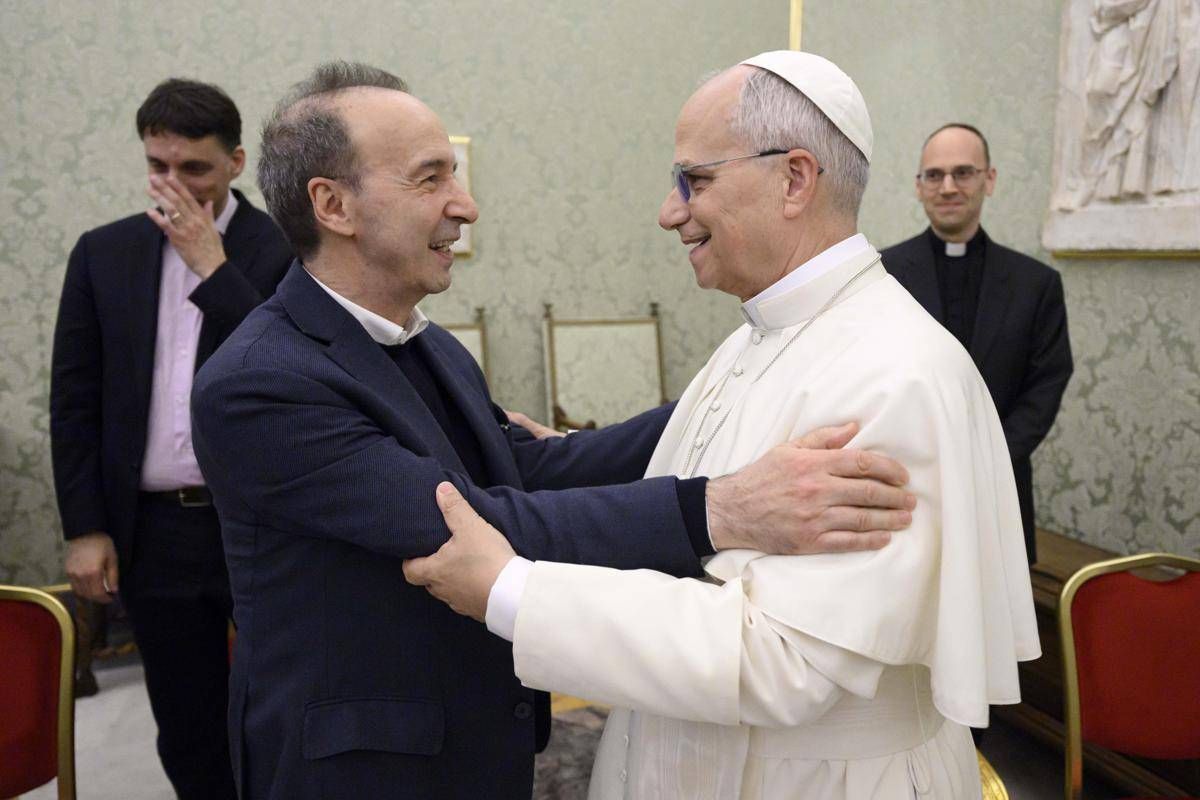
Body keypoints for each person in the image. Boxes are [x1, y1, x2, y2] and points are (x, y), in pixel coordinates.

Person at [189, 61, 918, 800]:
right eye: (431, 179)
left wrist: (746, 395)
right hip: (360, 770)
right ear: (333, 205)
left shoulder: (428, 344)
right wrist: (718, 508)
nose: (466, 205)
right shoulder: (259, 383)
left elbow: (530, 469)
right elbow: (471, 524)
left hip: (469, 744)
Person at [404, 51, 1041, 799]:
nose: (670, 212)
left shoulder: (895, 372)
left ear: (794, 179)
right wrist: (563, 451)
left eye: (695, 181)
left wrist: (511, 590)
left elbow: (785, 661)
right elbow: (691, 470)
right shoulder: (761, 333)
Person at [50, 78, 293, 799]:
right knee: (186, 721)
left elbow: (288, 369)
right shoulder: (103, 253)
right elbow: (75, 400)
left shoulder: (284, 250)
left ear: (236, 163)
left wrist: (212, 267)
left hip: (263, 520)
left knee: (283, 703)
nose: (175, 185)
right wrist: (86, 527)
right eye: (159, 166)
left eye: (195, 168)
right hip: (154, 530)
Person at [882, 122, 1073, 563]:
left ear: (989, 179)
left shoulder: (1036, 284)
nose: (948, 187)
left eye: (963, 173)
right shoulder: (880, 274)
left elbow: (1046, 385)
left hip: (999, 486)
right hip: (904, 490)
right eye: (934, 175)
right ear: (918, 186)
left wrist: (986, 458)